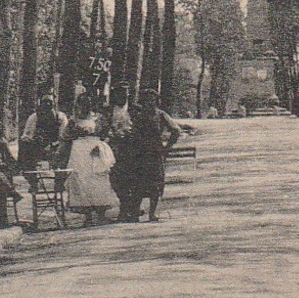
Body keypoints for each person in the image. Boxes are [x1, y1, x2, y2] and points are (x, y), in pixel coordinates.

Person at [116, 88, 181, 222]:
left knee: (156, 183)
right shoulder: (138, 116)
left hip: (156, 152)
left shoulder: (161, 115)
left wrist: (167, 147)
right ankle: (134, 213)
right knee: (138, 183)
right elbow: (131, 132)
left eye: (152, 100)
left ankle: (152, 213)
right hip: (139, 153)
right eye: (146, 101)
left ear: (156, 101)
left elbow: (176, 130)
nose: (148, 103)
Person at [60, 95, 115, 226]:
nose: (85, 106)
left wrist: (101, 145)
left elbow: (108, 134)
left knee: (98, 179)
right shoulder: (73, 120)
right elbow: (65, 136)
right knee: (82, 180)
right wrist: (75, 133)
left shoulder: (98, 118)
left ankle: (101, 214)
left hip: (95, 149)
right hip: (79, 151)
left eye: (88, 103)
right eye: (82, 104)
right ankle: (88, 216)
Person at [19, 94, 69, 169]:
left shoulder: (61, 117)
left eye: (50, 102)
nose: (47, 104)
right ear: (41, 104)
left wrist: (55, 144)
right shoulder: (34, 117)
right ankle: (29, 174)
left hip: (56, 145)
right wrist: (32, 140)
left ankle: (61, 173)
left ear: (54, 104)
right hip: (39, 145)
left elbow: (64, 135)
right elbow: (27, 135)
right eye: (45, 102)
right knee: (25, 144)